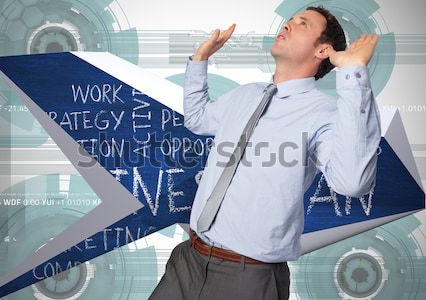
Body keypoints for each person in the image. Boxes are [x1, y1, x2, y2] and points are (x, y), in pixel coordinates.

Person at [150, 5, 381, 300]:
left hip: (248, 277)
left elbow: (352, 182)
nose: (287, 24)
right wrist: (200, 60)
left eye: (302, 24)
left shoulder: (324, 114)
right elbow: (198, 119)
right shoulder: (246, 94)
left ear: (323, 50)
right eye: (290, 19)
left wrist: (352, 75)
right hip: (187, 262)